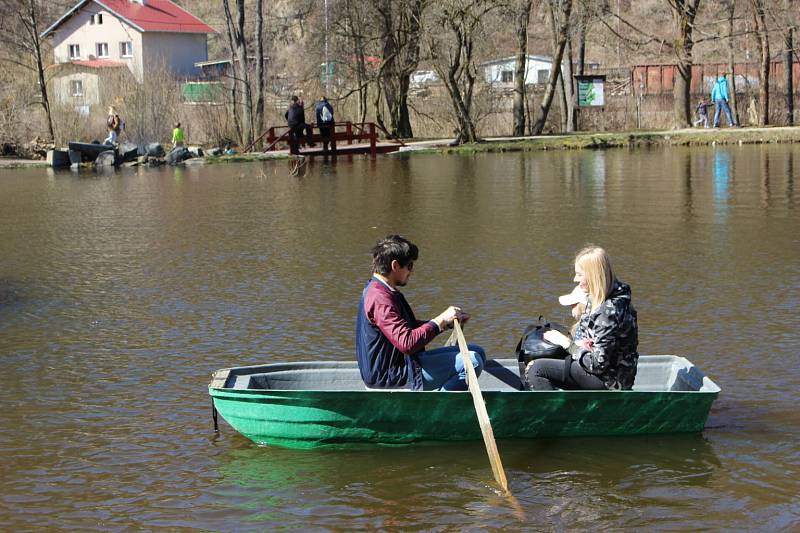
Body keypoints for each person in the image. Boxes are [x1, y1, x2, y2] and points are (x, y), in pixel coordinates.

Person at [356, 235, 486, 391]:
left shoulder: (383, 290)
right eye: (409, 266)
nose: (412, 271)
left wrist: (445, 323)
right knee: (472, 362)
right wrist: (439, 320)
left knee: (478, 352)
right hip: (391, 376)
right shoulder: (380, 299)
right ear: (395, 265)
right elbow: (407, 343)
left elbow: (405, 329)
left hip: (403, 364)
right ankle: (436, 409)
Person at [526, 246, 639, 391]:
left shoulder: (608, 311)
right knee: (542, 359)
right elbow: (589, 335)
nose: (575, 279)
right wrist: (579, 344)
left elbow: (598, 364)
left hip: (611, 381)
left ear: (593, 275)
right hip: (605, 373)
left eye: (579, 275)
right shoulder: (602, 296)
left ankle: (556, 413)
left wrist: (568, 344)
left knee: (537, 370)